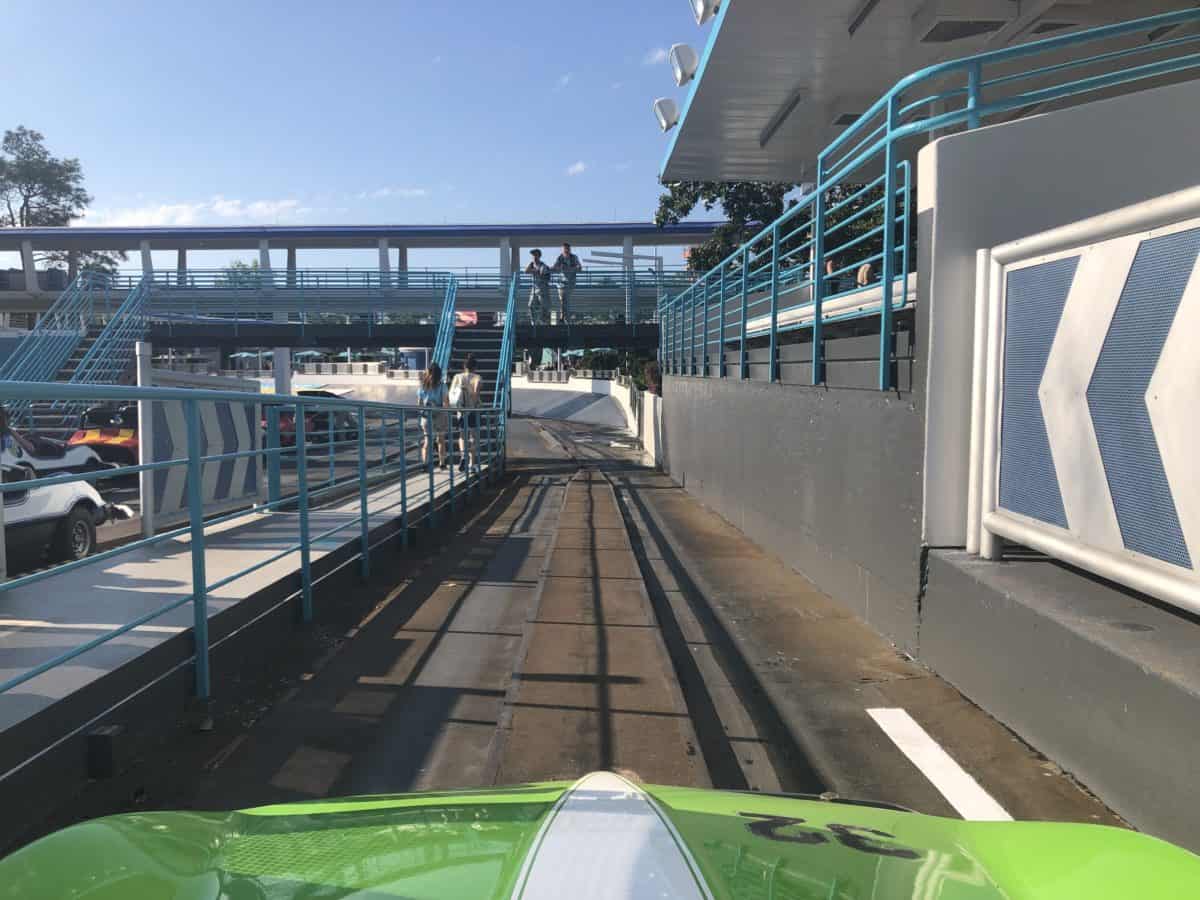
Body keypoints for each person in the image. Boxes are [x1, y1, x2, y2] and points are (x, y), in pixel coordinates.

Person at [449, 353, 483, 474]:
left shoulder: (457, 377)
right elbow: (475, 396)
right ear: (475, 367)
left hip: (461, 411)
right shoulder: (477, 378)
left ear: (464, 366)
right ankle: (472, 464)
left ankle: (463, 456)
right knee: (473, 437)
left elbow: (451, 394)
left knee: (462, 436)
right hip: (473, 411)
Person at [417, 362, 448, 469]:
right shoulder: (442, 386)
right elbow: (445, 403)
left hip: (426, 416)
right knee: (440, 440)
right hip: (439, 415)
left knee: (427, 440)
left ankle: (425, 464)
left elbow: (419, 404)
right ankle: (442, 463)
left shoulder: (422, 386)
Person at [551, 241, 582, 324]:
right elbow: (554, 267)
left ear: (569, 249)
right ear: (562, 250)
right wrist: (554, 268)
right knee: (563, 300)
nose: (566, 251)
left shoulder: (574, 257)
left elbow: (579, 267)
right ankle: (565, 318)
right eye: (564, 249)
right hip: (561, 283)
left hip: (570, 282)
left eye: (567, 249)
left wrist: (572, 268)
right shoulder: (560, 258)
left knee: (565, 299)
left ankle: (564, 318)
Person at [525, 249, 552, 324]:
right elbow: (526, 271)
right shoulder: (531, 264)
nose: (533, 256)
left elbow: (542, 273)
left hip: (542, 289)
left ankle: (544, 321)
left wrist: (535, 271)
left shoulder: (543, 265)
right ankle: (533, 322)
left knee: (544, 306)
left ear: (539, 256)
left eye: (535, 255)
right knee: (530, 305)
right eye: (532, 255)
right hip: (534, 288)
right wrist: (534, 269)